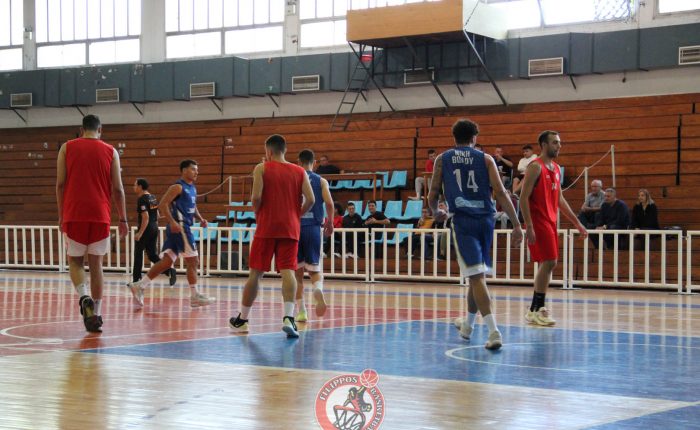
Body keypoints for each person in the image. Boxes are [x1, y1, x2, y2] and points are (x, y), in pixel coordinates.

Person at [429, 119, 523, 350]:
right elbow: (501, 193)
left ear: (454, 137)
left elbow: (433, 192)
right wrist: (516, 224)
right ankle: (468, 326)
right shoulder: (486, 158)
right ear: (474, 138)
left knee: (476, 277)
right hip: (486, 220)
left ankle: (493, 331)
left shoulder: (443, 159)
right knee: (476, 275)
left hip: (463, 220)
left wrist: (435, 212)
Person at [229, 135, 315, 338]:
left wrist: (258, 212)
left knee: (255, 274)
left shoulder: (262, 168)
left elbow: (256, 196)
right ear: (285, 150)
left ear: (268, 151)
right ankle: (289, 317)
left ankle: (242, 320)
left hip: (267, 226)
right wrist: (296, 214)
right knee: (288, 272)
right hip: (290, 227)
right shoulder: (300, 171)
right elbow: (310, 199)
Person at [56, 114, 128, 333]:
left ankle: (84, 296)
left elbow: (60, 184)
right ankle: (96, 314)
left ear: (81, 129)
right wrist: (123, 218)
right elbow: (118, 189)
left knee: (75, 262)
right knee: (96, 265)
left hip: (74, 213)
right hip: (100, 214)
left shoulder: (66, 148)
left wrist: (61, 215)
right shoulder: (111, 151)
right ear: (100, 130)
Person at [519, 130, 588, 327]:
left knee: (547, 263)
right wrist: (529, 225)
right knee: (550, 261)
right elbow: (523, 198)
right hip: (538, 220)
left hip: (550, 220)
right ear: (544, 145)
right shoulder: (535, 167)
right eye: (555, 142)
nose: (559, 146)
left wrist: (577, 223)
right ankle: (539, 308)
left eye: (559, 142)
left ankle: (534, 309)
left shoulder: (556, 168)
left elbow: (560, 199)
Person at [127, 160, 216, 308]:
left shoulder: (192, 188)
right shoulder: (177, 187)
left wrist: (200, 218)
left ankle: (140, 285)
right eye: (193, 169)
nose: (196, 172)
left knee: (167, 262)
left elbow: (193, 206)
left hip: (180, 227)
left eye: (197, 169)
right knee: (193, 261)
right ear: (184, 170)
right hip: (180, 227)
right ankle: (194, 296)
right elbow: (162, 204)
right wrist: (172, 222)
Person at [294, 149, 334, 323]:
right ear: (314, 163)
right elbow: (329, 203)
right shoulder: (321, 181)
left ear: (298, 162)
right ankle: (317, 288)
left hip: (295, 227)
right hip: (314, 228)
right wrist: (330, 222)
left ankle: (302, 311)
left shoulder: (294, 179)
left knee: (297, 274)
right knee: (315, 270)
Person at [131, 178, 176, 286]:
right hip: (154, 228)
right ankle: (169, 271)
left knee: (138, 254)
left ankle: (136, 280)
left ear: (140, 186)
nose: (134, 187)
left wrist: (140, 233)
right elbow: (157, 215)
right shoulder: (152, 197)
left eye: (135, 185)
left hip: (146, 228)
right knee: (152, 255)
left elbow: (145, 217)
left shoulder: (142, 199)